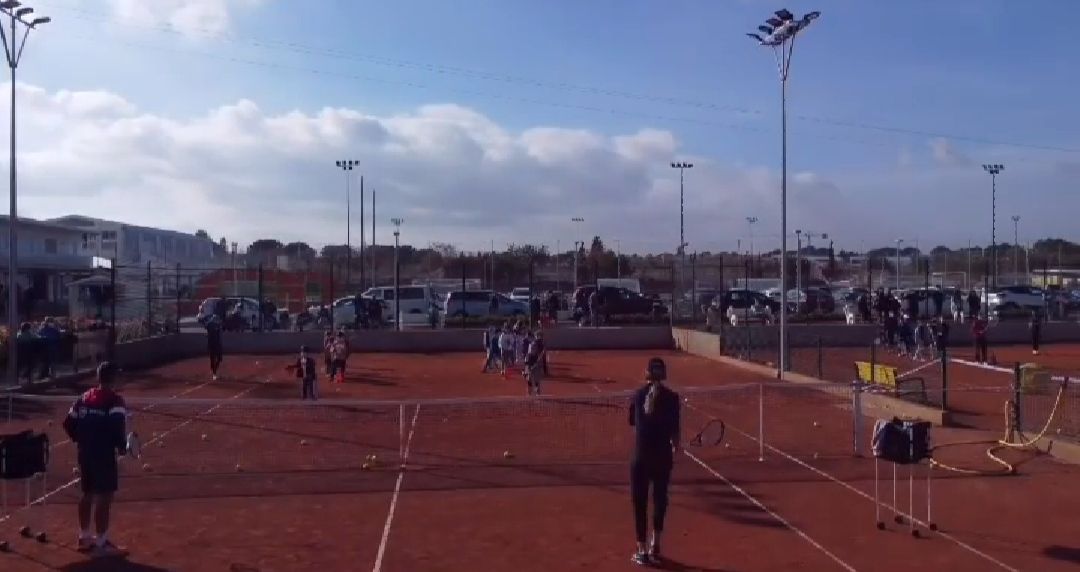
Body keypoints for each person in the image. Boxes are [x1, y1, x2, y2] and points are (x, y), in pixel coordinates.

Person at [62, 362, 129, 558]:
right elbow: (117, 428)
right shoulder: (115, 401)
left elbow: (68, 424)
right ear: (113, 378)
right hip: (103, 454)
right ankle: (101, 541)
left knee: (87, 493)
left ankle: (84, 537)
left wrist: (81, 439)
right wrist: (122, 448)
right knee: (105, 496)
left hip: (85, 452)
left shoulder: (84, 397)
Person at [627, 357, 680, 566]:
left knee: (639, 502)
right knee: (660, 499)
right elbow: (675, 434)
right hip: (663, 456)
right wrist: (676, 446)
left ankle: (641, 549)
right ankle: (655, 543)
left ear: (647, 374)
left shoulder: (638, 396)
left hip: (641, 456)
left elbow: (634, 423)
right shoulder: (673, 399)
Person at [206, 315, 224, 380]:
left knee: (218, 358)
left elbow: (219, 335)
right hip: (212, 344)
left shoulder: (217, 326)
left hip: (217, 344)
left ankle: (214, 371)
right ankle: (214, 372)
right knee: (213, 358)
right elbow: (209, 327)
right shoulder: (211, 325)